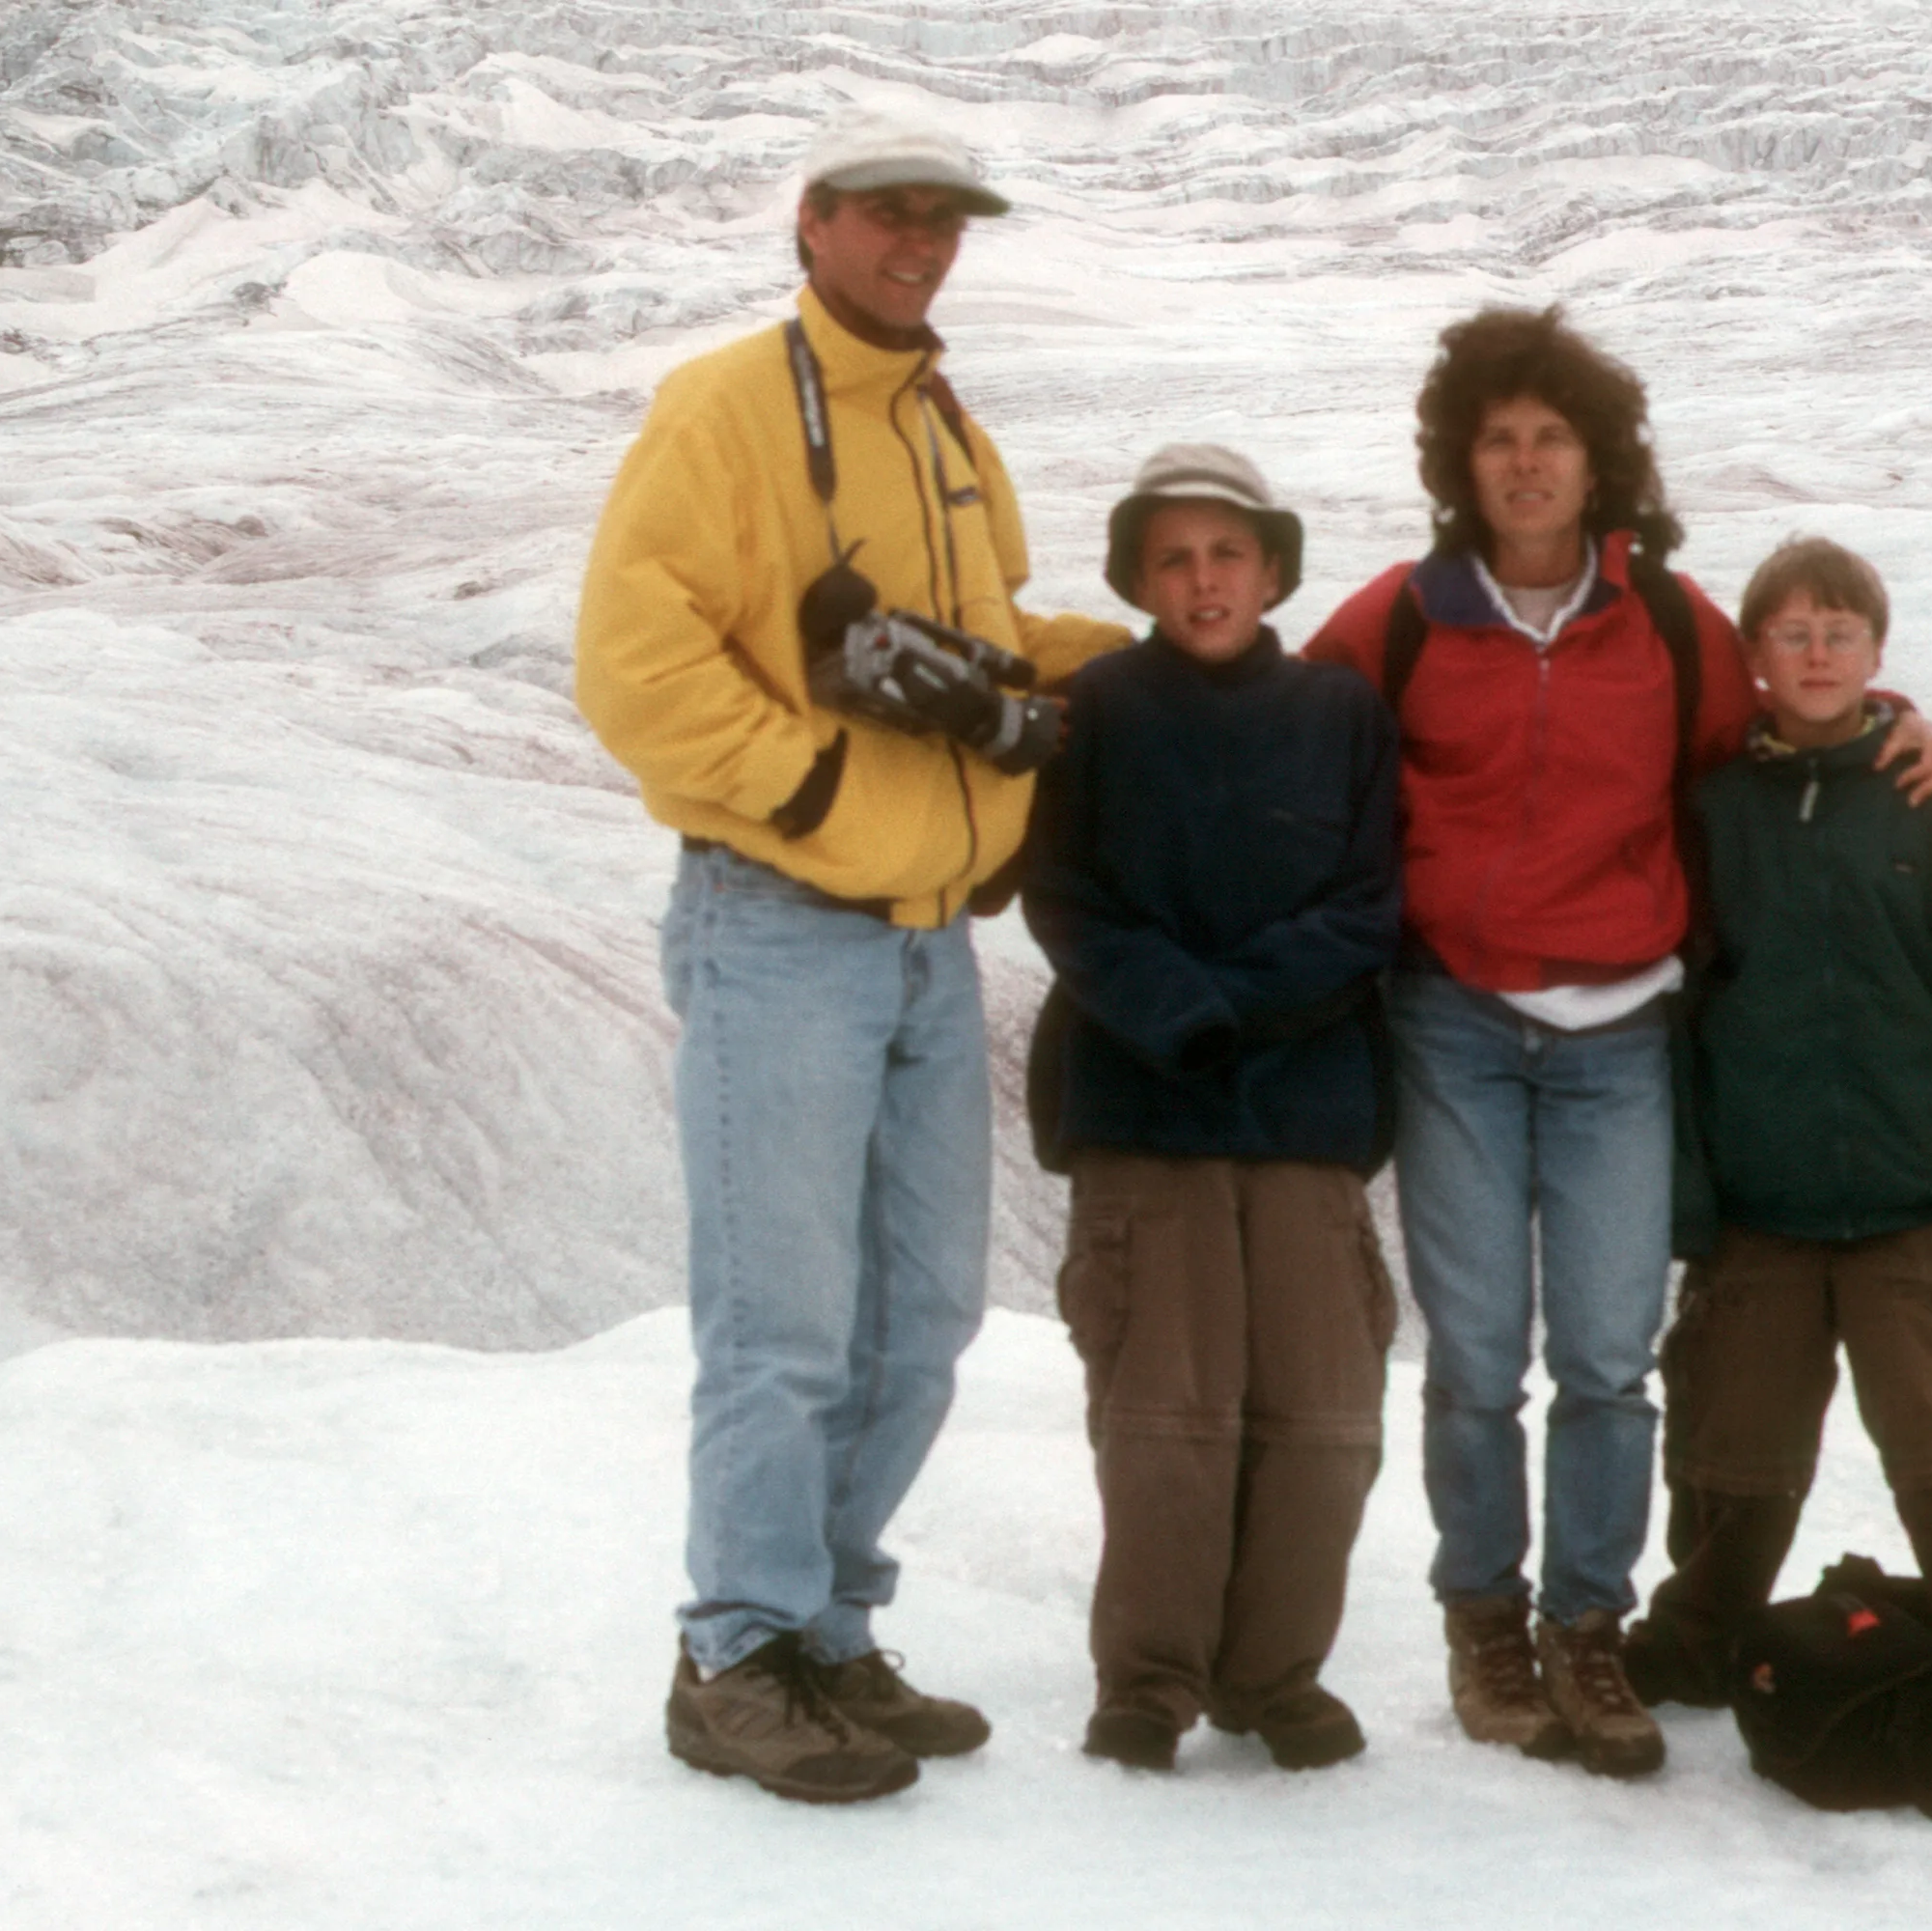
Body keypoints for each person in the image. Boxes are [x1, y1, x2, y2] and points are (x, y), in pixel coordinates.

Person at [1304, 307, 1932, 1779]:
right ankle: (1486, 1617)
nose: (1529, 463)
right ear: (1461, 462)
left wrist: (1907, 722)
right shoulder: (1402, 619)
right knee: (1478, 1360)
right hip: (1455, 1023)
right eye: (1502, 439)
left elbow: (1806, 710)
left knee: (1608, 1360)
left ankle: (1586, 1630)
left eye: (1555, 437)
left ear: (1599, 461)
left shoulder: (1667, 627)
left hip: (1619, 1035)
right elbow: (1277, 731)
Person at [574, 104, 1127, 1805]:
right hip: (780, 931)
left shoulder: (943, 421)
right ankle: (734, 1649)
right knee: (784, 1325)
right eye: (887, 218)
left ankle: (828, 1627)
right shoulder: (726, 410)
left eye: (942, 224)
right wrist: (816, 789)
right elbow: (633, 661)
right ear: (812, 224)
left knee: (919, 1325)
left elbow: (996, 632)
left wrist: (1177, 665)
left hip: (924, 956)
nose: (918, 246)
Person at [1622, 536, 1932, 1803]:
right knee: (1732, 1449)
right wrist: (1694, 1204)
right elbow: (1685, 1014)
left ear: (1878, 653)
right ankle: (1695, 1648)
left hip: (1911, 1211)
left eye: (1841, 631)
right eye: (1791, 632)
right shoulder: (1713, 813)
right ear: (1753, 656)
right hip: (1760, 1212)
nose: (1816, 653)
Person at [1022, 445, 1403, 1776]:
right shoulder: (1097, 707)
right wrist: (1181, 1012)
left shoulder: (1340, 716)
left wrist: (1239, 1001)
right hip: (1147, 1094)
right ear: (1139, 576)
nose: (1203, 579)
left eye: (1226, 553)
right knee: (1165, 1414)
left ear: (1274, 567)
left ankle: (1274, 1675)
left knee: (1321, 1411)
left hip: (1306, 1106)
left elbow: (1367, 905)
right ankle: (1151, 1681)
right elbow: (1065, 896)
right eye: (1175, 557)